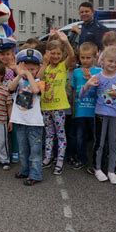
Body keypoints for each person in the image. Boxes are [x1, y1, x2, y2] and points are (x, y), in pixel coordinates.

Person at [81, 46, 116, 185]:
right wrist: (87, 85)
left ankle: (111, 171)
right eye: (110, 61)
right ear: (102, 61)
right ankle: (97, 169)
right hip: (100, 114)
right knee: (100, 143)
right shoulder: (97, 77)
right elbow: (82, 95)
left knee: (113, 144)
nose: (113, 64)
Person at [38, 31, 75, 175]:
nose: (55, 56)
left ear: (62, 54)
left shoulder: (62, 66)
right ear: (47, 53)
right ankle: (48, 157)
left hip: (59, 108)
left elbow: (72, 57)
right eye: (52, 53)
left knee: (60, 135)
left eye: (58, 54)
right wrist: (45, 63)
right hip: (46, 107)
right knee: (48, 134)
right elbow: (39, 78)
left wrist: (66, 42)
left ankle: (60, 160)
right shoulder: (46, 67)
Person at [9, 49, 45, 186]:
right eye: (26, 68)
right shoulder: (19, 81)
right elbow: (10, 88)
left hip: (34, 124)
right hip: (20, 121)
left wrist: (29, 74)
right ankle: (24, 170)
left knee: (35, 152)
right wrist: (19, 75)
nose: (28, 71)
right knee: (23, 150)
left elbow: (36, 90)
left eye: (32, 69)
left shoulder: (39, 82)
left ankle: (35, 174)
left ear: (38, 69)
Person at [69, 42, 101, 170]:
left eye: (88, 57)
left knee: (95, 137)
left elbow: (101, 89)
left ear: (95, 57)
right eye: (83, 57)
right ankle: (82, 159)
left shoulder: (99, 71)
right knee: (80, 136)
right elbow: (73, 90)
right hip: (80, 110)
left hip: (94, 111)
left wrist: (91, 78)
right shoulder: (76, 72)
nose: (85, 60)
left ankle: (95, 161)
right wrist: (72, 108)